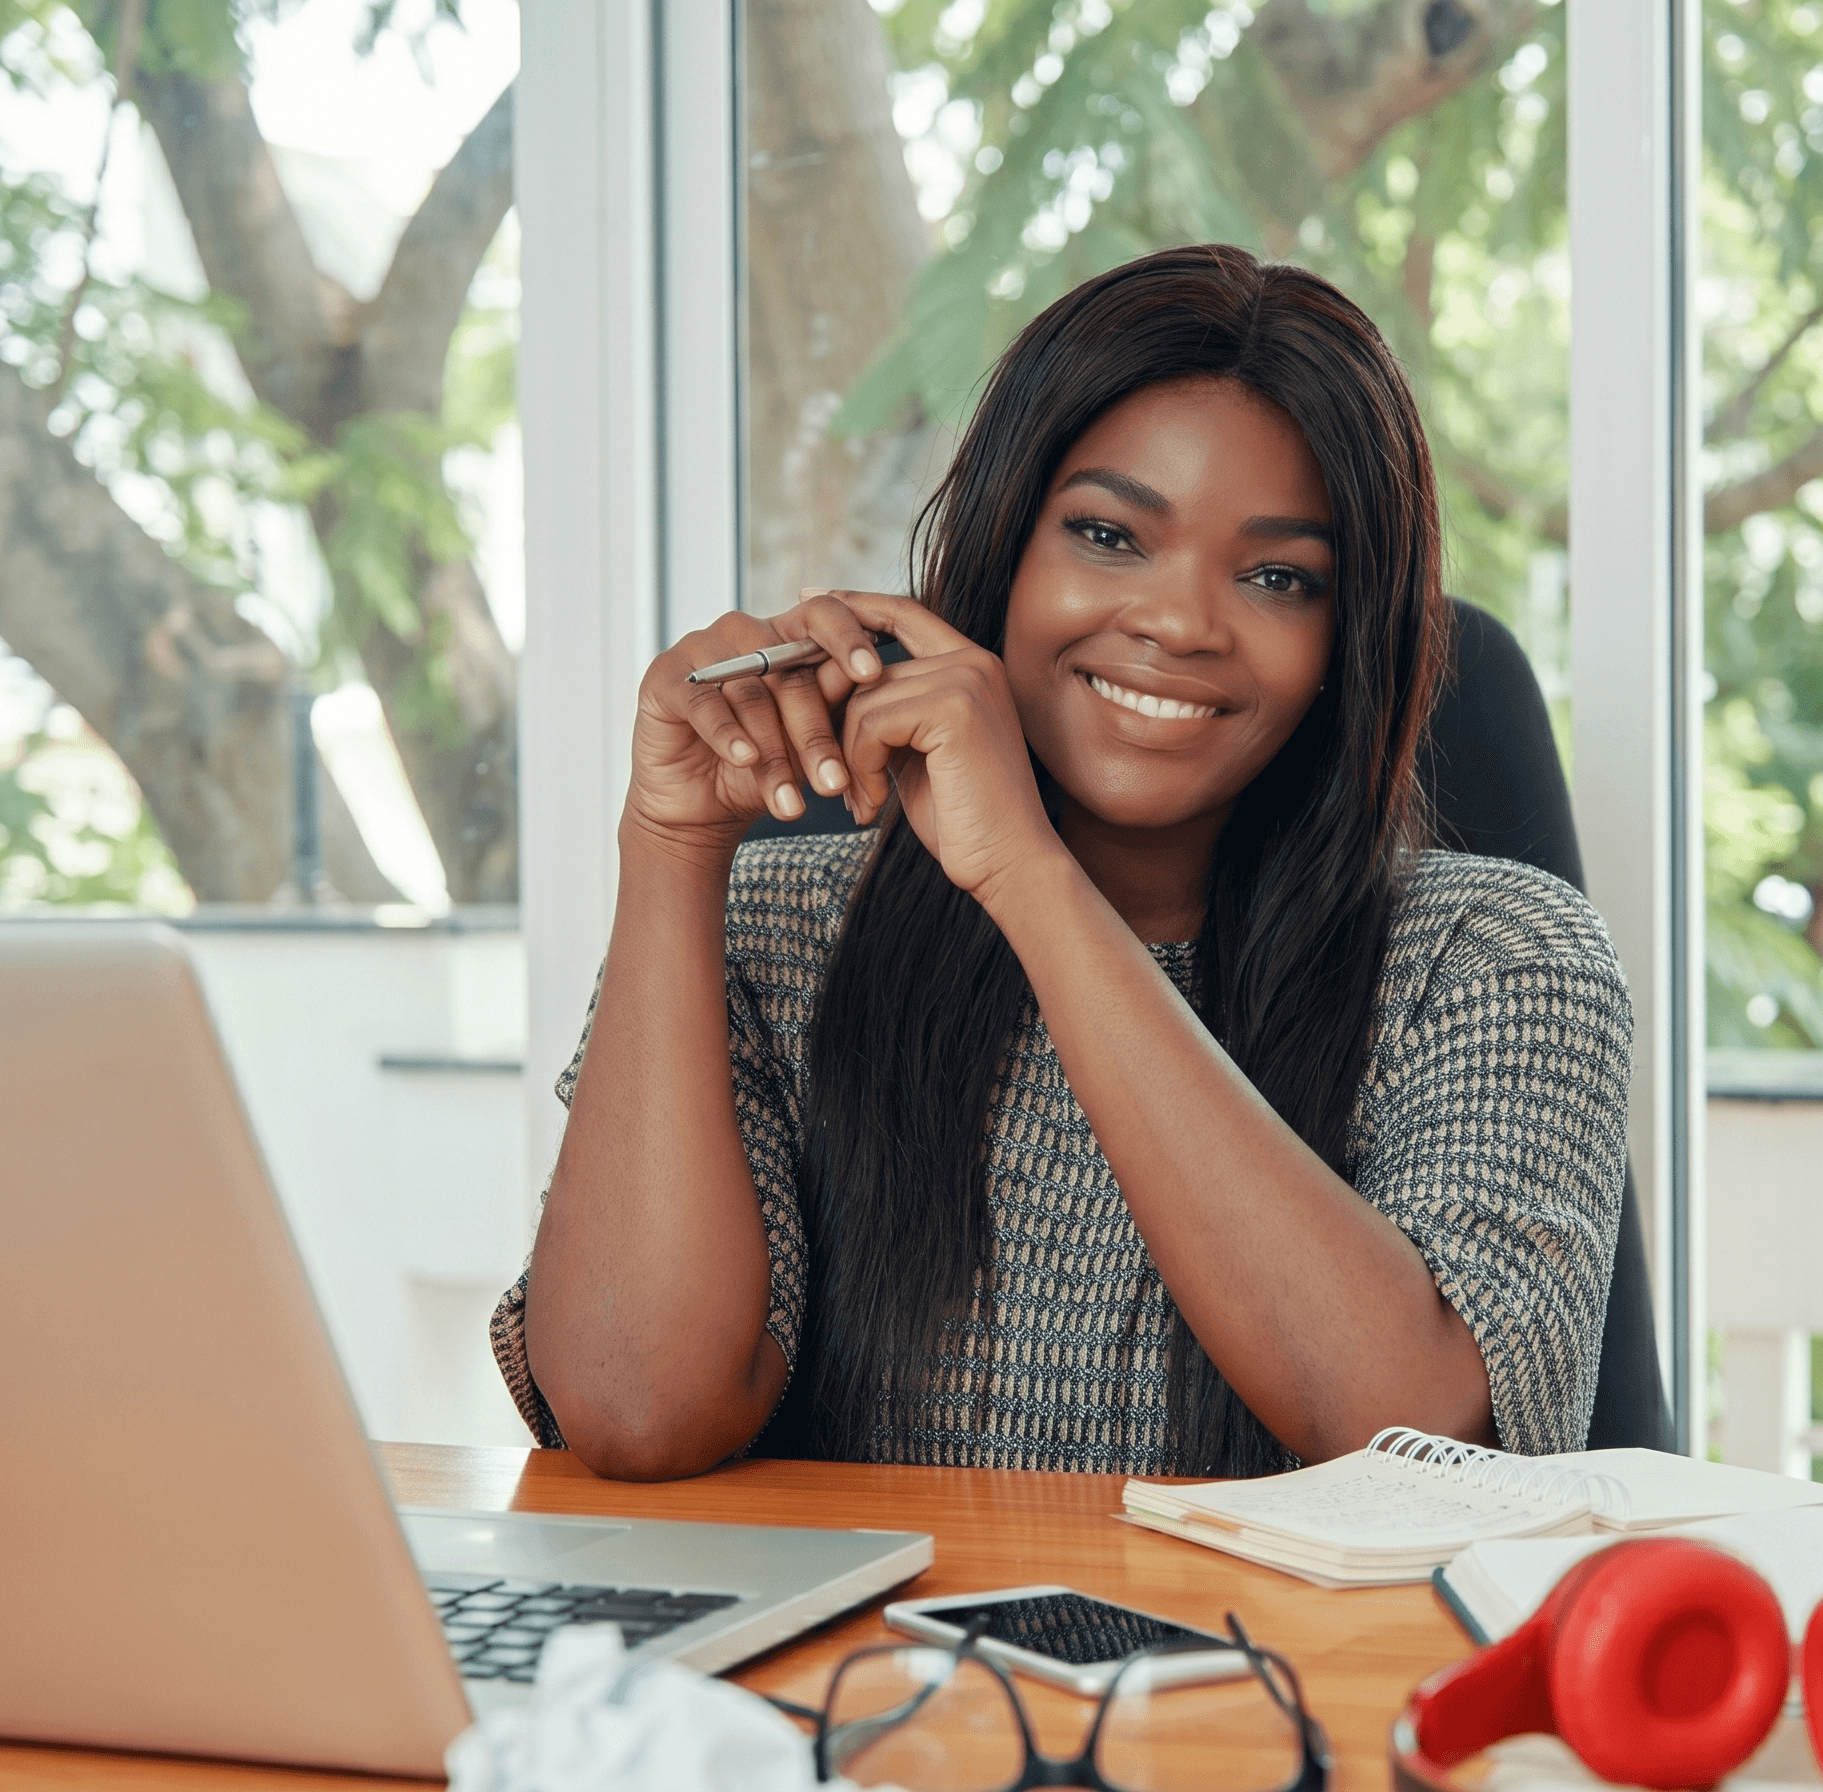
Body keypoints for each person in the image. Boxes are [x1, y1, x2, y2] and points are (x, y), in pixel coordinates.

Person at [492, 244, 1632, 1482]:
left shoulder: (1500, 960)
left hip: (1301, 1679)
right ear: (1001, 556)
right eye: (1107, 534)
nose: (1183, 622)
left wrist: (1032, 880)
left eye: (1277, 577)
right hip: (855, 1678)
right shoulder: (771, 937)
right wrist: (670, 848)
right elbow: (637, 1411)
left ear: (1344, 639)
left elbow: (1415, 1434)